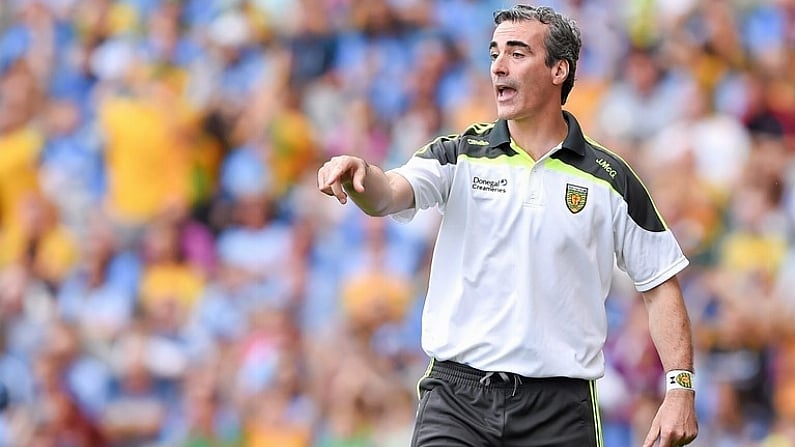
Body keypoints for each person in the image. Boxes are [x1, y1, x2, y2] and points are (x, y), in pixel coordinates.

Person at [317, 5, 698, 447]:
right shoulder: (458, 153)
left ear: (559, 69)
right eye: (494, 52)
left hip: (559, 408)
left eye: (517, 53)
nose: (498, 66)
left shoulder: (609, 178)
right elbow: (387, 194)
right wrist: (360, 172)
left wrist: (680, 388)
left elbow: (660, 283)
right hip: (456, 400)